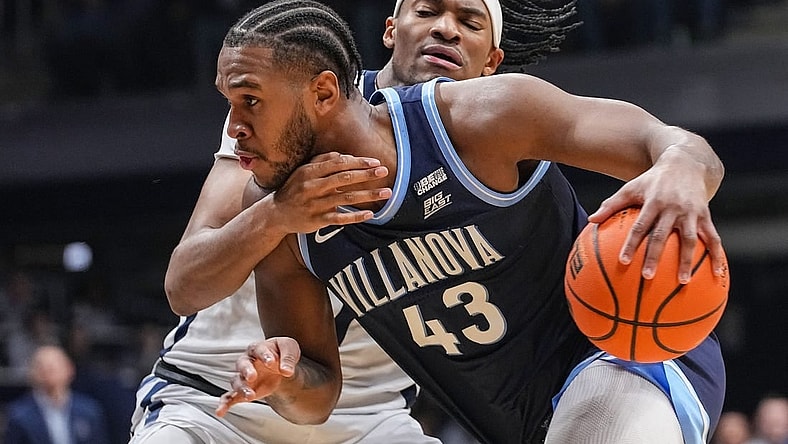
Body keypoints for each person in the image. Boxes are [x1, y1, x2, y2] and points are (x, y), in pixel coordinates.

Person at [213, 1, 727, 443]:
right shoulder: (279, 217)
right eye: (428, 10)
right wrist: (283, 380)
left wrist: (681, 167)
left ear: (323, 93)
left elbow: (669, 143)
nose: (234, 128)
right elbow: (318, 394)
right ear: (390, 29)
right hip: (510, 424)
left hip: (620, 357)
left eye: (249, 102)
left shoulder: (486, 116)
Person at [130, 0, 580, 442]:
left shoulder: (482, 145)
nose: (446, 29)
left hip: (370, 417)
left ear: (492, 64)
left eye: (468, 21)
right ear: (391, 29)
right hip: (215, 400)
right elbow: (184, 284)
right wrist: (278, 213)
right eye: (427, 11)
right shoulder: (292, 112)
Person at [3, 344, 109, 444]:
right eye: (41, 367)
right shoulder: (18, 414)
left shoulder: (89, 410)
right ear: (32, 373)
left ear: (70, 369)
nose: (47, 372)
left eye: (53, 367)